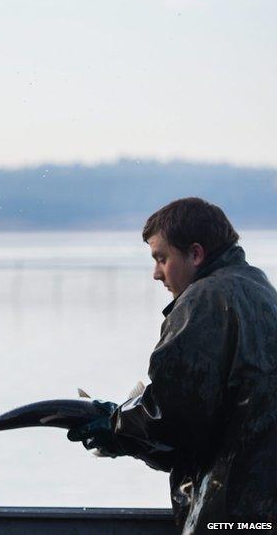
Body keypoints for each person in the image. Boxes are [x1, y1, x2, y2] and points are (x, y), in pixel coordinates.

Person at [68, 197, 277, 532]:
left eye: (161, 258)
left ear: (195, 254)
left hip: (232, 511)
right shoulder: (259, 290)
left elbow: (174, 417)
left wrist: (116, 429)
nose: (155, 273)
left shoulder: (205, 300)